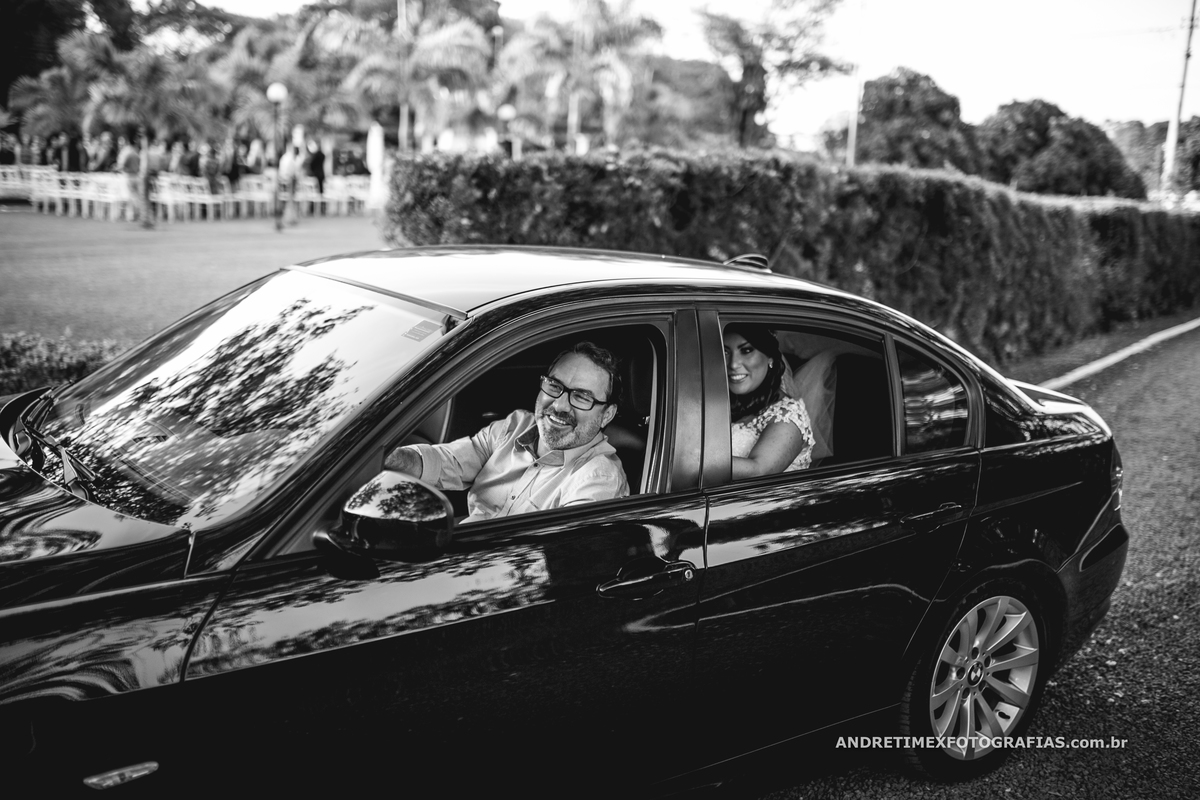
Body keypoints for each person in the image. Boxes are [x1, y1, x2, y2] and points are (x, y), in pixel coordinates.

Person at [384, 342, 629, 524]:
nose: (560, 405)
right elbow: (449, 461)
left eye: (581, 397)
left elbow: (557, 557)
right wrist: (386, 459)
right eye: (554, 386)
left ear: (606, 415)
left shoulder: (597, 478)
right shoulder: (516, 425)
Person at [724, 323, 815, 478]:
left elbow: (759, 470)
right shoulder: (720, 399)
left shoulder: (787, 417)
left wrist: (689, 462)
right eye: (725, 352)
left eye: (746, 351)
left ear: (770, 358)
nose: (733, 364)